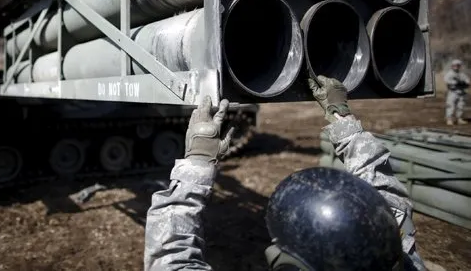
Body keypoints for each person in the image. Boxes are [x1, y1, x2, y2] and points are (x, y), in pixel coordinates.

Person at [144, 75, 427, 271]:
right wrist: (342, 118)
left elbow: (170, 258)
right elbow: (387, 199)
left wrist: (196, 162)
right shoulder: (397, 257)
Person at [444, 59, 469, 125]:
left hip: (461, 92)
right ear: (452, 66)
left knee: (460, 106)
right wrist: (455, 83)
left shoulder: (462, 74)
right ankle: (449, 119)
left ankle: (459, 118)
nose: (456, 67)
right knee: (450, 106)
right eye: (455, 65)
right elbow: (446, 81)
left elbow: (467, 81)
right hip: (453, 92)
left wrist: (464, 83)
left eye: (458, 65)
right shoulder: (450, 74)